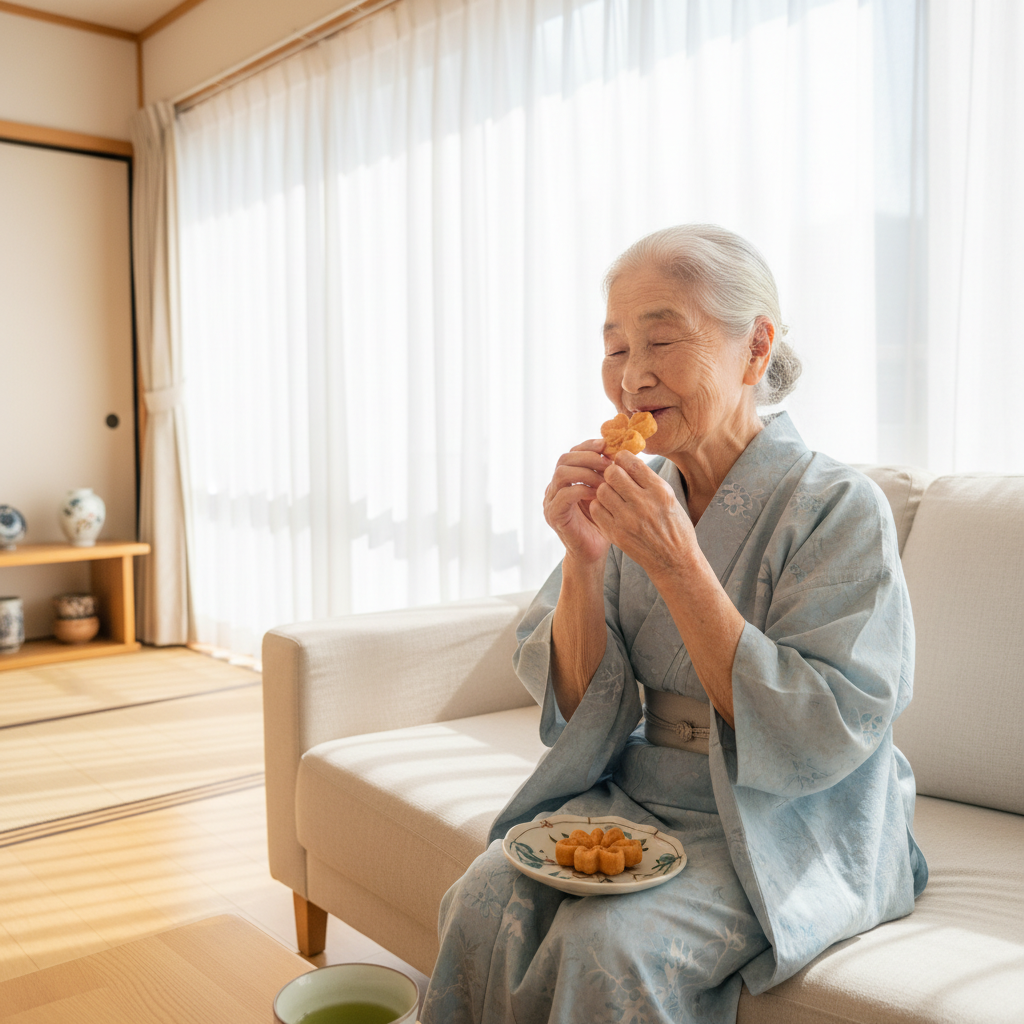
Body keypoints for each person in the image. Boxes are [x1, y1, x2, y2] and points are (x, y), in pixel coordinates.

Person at [421, 224, 928, 1024]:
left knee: (608, 945)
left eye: (661, 340)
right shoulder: (641, 493)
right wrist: (584, 558)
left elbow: (826, 728)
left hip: (787, 821)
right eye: (616, 348)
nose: (632, 377)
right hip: (644, 792)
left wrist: (680, 566)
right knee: (482, 896)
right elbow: (580, 712)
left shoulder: (838, 507)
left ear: (755, 349)